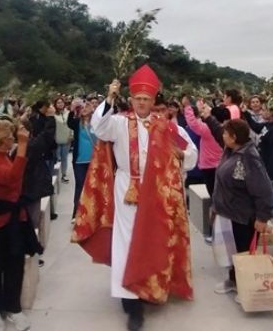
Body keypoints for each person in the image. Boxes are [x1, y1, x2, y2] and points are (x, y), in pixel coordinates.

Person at [72, 64, 197, 331]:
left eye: (146, 99)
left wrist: (181, 156)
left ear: (153, 101)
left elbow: (190, 152)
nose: (141, 103)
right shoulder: (119, 122)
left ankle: (149, 286)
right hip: (126, 187)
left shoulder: (164, 126)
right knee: (127, 241)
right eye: (137, 99)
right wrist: (109, 98)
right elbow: (99, 127)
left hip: (157, 189)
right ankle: (131, 303)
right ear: (132, 100)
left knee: (153, 238)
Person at [0, 120, 37, 331]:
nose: (13, 138)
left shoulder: (2, 157)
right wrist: (22, 147)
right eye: (10, 136)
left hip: (13, 219)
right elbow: (12, 178)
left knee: (14, 264)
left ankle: (13, 307)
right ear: (3, 140)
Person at [211, 119, 273, 298]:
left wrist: (262, 217)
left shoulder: (248, 158)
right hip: (228, 212)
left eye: (225, 133)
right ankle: (234, 281)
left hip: (242, 215)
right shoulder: (232, 151)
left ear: (234, 137)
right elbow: (217, 132)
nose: (222, 136)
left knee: (244, 252)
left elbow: (264, 189)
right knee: (233, 252)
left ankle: (248, 289)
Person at [183, 96, 222, 198]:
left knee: (213, 193)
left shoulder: (207, 129)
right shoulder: (225, 130)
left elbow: (192, 123)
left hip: (209, 166)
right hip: (222, 164)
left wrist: (188, 107)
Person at [67, 100, 97, 222]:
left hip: (94, 160)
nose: (84, 108)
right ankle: (76, 213)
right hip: (79, 161)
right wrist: (72, 109)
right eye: (82, 107)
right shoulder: (77, 123)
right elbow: (69, 122)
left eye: (87, 106)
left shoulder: (96, 123)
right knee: (80, 185)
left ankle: (92, 212)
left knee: (93, 186)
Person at [52, 96, 72, 184]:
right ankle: (54, 175)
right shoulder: (53, 115)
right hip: (56, 139)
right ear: (55, 104)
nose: (60, 104)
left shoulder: (68, 113)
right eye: (58, 103)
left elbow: (71, 125)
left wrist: (72, 135)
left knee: (64, 158)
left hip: (67, 139)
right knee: (56, 158)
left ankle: (64, 174)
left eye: (61, 102)